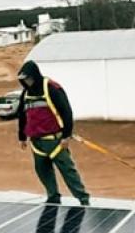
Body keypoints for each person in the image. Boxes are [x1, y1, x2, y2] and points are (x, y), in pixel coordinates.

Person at [16, 60, 90, 206]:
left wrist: (66, 135)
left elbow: (66, 111)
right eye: (23, 80)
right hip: (36, 142)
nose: (26, 82)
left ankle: (82, 198)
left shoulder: (51, 88)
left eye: (28, 79)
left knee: (68, 170)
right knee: (43, 171)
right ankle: (53, 196)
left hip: (55, 141)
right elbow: (22, 115)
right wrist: (22, 136)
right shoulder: (26, 94)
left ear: (34, 76)